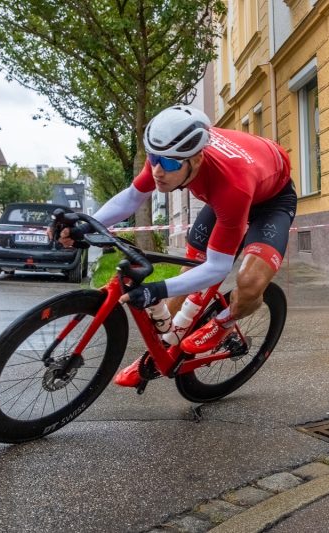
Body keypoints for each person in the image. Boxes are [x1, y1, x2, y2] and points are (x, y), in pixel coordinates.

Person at [56, 104, 296, 387]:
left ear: (195, 160)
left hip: (269, 200)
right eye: (153, 159)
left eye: (168, 164)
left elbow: (217, 268)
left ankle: (225, 321)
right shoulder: (167, 151)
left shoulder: (231, 185)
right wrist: (86, 223)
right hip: (235, 185)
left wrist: (155, 290)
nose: (157, 170)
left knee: (250, 282)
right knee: (188, 277)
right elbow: (133, 197)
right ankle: (158, 355)